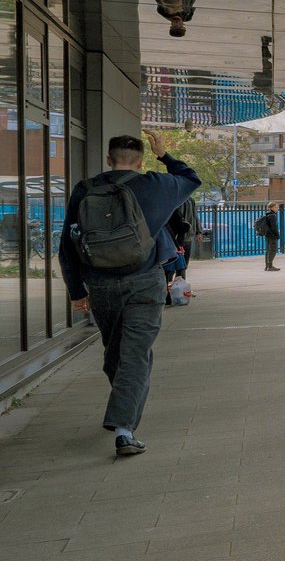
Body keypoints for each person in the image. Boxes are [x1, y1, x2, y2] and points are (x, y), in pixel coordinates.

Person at [57, 131, 200, 456]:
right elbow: (191, 179)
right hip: (144, 283)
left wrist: (76, 292)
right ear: (140, 161)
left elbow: (67, 245)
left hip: (101, 285)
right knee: (135, 355)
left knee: (115, 352)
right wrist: (164, 154)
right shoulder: (153, 185)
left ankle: (123, 405)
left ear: (109, 159)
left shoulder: (85, 189)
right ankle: (123, 429)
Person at [262, 201, 281, 271]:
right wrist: (277, 235)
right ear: (272, 207)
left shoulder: (267, 214)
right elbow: (274, 227)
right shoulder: (272, 215)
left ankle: (267, 266)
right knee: (273, 250)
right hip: (272, 236)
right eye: (276, 207)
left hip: (267, 235)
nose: (278, 208)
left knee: (268, 250)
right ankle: (270, 266)